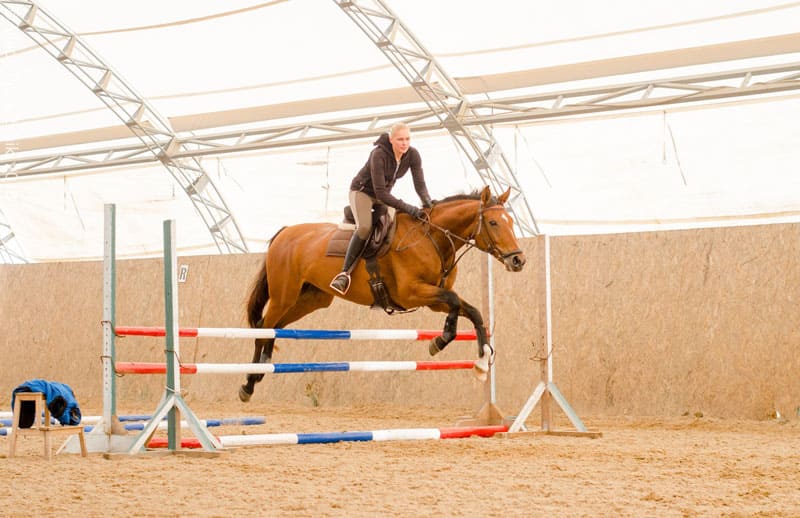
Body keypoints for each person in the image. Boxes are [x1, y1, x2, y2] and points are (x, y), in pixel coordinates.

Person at [329, 122, 432, 295]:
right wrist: (408, 207)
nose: (404, 143)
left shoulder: (413, 155)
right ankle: (344, 273)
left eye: (407, 139)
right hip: (362, 193)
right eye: (400, 139)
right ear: (391, 139)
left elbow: (420, 185)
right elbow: (381, 194)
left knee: (395, 223)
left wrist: (428, 203)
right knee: (364, 227)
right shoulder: (378, 154)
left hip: (382, 196)